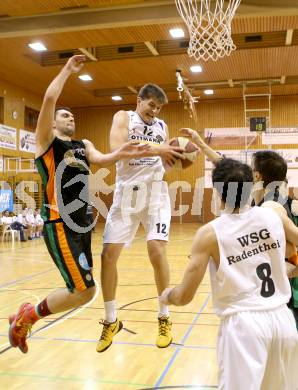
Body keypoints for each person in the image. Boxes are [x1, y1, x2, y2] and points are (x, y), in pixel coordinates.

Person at [8, 55, 157, 354]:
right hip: (60, 223)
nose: (70, 118)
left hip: (82, 223)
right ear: (51, 123)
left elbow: (102, 158)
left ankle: (27, 315)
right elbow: (50, 97)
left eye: (72, 116)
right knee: (84, 292)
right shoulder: (47, 143)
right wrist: (67, 70)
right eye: (64, 116)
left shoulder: (83, 145)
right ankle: (28, 317)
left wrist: (125, 152)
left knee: (84, 291)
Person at [161, 158, 298, 390]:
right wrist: (289, 270)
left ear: (217, 193)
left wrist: (167, 296)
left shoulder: (209, 234)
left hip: (243, 327)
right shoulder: (273, 215)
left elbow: (184, 296)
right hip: (283, 323)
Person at [97, 83, 186, 352]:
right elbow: (120, 149)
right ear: (139, 100)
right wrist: (160, 151)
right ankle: (111, 320)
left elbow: (163, 160)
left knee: (156, 249)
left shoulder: (162, 126)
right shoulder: (124, 117)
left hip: (155, 194)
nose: (155, 111)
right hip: (127, 195)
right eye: (151, 106)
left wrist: (177, 157)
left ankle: (164, 317)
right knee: (107, 256)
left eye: (158, 108)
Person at [251, 150, 298, 328]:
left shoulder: (272, 206)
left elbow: (292, 251)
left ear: (257, 175)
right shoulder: (264, 200)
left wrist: (288, 271)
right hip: (271, 295)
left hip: (279, 299)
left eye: (251, 169)